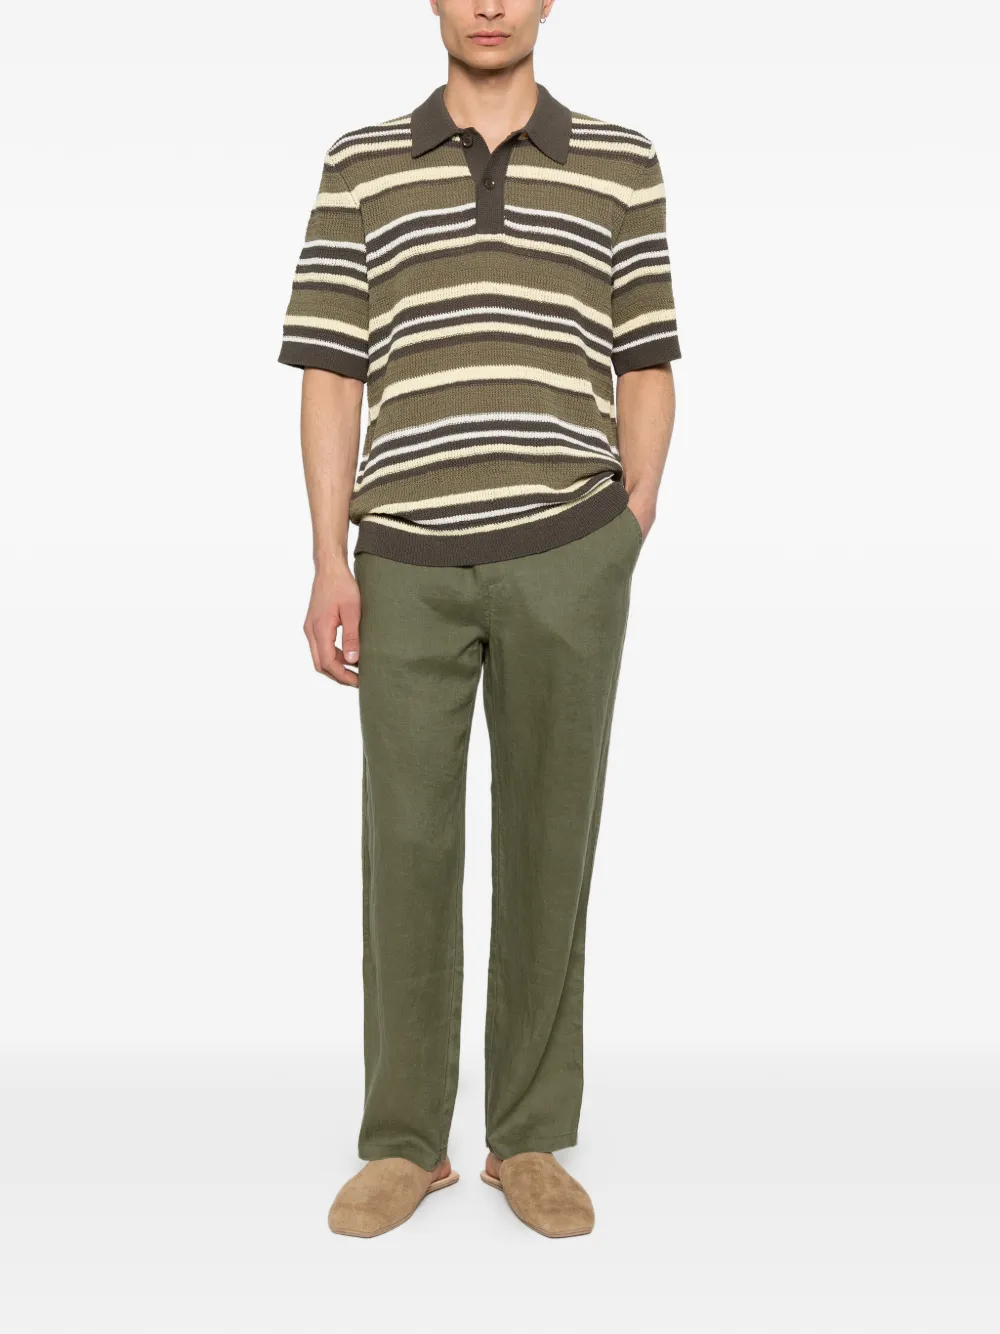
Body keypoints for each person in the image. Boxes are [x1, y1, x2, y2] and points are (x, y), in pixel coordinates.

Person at [278, 0, 679, 1240]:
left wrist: (625, 525)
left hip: (568, 549)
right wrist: (327, 557)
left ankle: (528, 1136)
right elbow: (331, 369)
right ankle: (405, 1139)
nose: (490, 4)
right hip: (404, 558)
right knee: (405, 845)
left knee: (551, 840)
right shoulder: (360, 163)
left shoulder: (621, 161)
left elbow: (646, 359)